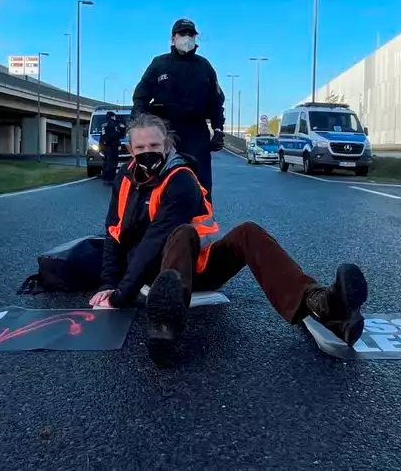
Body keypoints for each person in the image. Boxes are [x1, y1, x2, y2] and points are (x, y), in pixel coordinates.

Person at [92, 114, 370, 367]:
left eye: (154, 146)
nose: (147, 152)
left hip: (194, 267)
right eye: (140, 148)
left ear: (166, 146)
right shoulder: (124, 179)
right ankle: (165, 323)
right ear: (130, 150)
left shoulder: (181, 180)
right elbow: (112, 232)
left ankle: (324, 304)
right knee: (178, 236)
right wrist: (109, 283)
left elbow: (156, 239)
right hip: (157, 276)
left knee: (240, 231)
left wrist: (121, 295)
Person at [131, 18, 225, 200]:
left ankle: (199, 226)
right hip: (165, 133)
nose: (187, 38)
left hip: (196, 134)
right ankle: (159, 224)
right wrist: (140, 128)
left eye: (191, 34)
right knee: (160, 184)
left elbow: (216, 101)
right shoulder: (159, 64)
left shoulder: (204, 67)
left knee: (200, 186)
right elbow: (140, 97)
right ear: (173, 38)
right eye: (182, 34)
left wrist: (218, 130)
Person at [99, 110, 125, 185]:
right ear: (112, 116)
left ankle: (106, 178)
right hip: (112, 146)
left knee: (107, 162)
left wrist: (101, 146)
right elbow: (116, 135)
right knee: (112, 163)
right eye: (114, 116)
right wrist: (122, 129)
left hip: (105, 146)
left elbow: (103, 136)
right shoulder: (112, 124)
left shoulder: (103, 124)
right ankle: (110, 179)